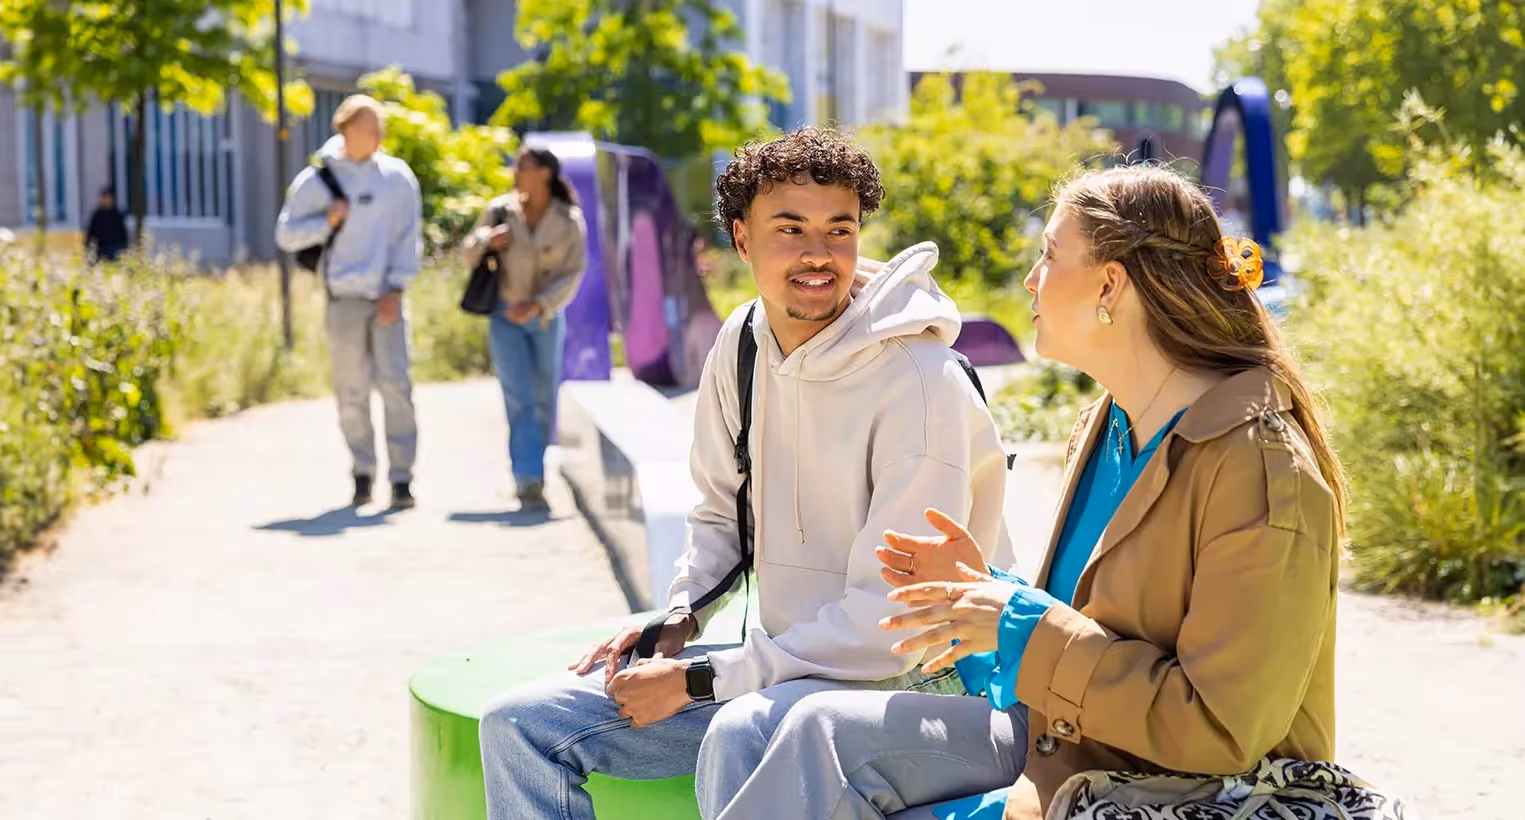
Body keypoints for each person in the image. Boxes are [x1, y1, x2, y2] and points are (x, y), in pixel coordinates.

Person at [717, 164, 1347, 820]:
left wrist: (1017, 621)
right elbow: (1098, 629)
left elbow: (1219, 729)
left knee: (823, 763)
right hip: (1072, 748)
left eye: (1048, 255)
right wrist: (985, 591)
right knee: (768, 732)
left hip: (1180, 794)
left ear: (1109, 284)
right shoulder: (1110, 423)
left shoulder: (1260, 468)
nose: (1030, 279)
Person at [477, 127, 1016, 820]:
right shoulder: (741, 343)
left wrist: (706, 675)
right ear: (740, 239)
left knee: (742, 728)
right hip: (788, 666)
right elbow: (717, 514)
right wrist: (681, 616)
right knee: (521, 726)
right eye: (790, 229)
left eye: (838, 230)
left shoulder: (920, 381)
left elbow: (889, 623)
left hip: (919, 682)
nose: (818, 254)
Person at [275, 94, 423, 510]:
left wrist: (397, 288)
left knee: (396, 386)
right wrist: (327, 221)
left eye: (381, 127)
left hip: (387, 298)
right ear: (347, 128)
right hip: (342, 299)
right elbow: (285, 235)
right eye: (371, 126)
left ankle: (401, 478)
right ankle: (362, 472)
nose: (379, 135)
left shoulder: (397, 178)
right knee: (350, 390)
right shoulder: (317, 181)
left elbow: (409, 238)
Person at [461, 147, 588, 510]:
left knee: (543, 397)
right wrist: (487, 240)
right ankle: (528, 478)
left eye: (525, 165)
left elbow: (573, 272)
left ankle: (536, 464)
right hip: (504, 318)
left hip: (545, 317)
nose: (516, 171)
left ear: (546, 172)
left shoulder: (568, 220)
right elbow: (466, 253)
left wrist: (537, 303)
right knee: (518, 398)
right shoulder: (500, 210)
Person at [84, 187, 129, 263]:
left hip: (115, 249)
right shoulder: (97, 215)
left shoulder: (117, 215)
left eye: (108, 198)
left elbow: (123, 234)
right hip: (101, 250)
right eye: (104, 198)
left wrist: (124, 250)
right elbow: (91, 234)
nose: (106, 200)